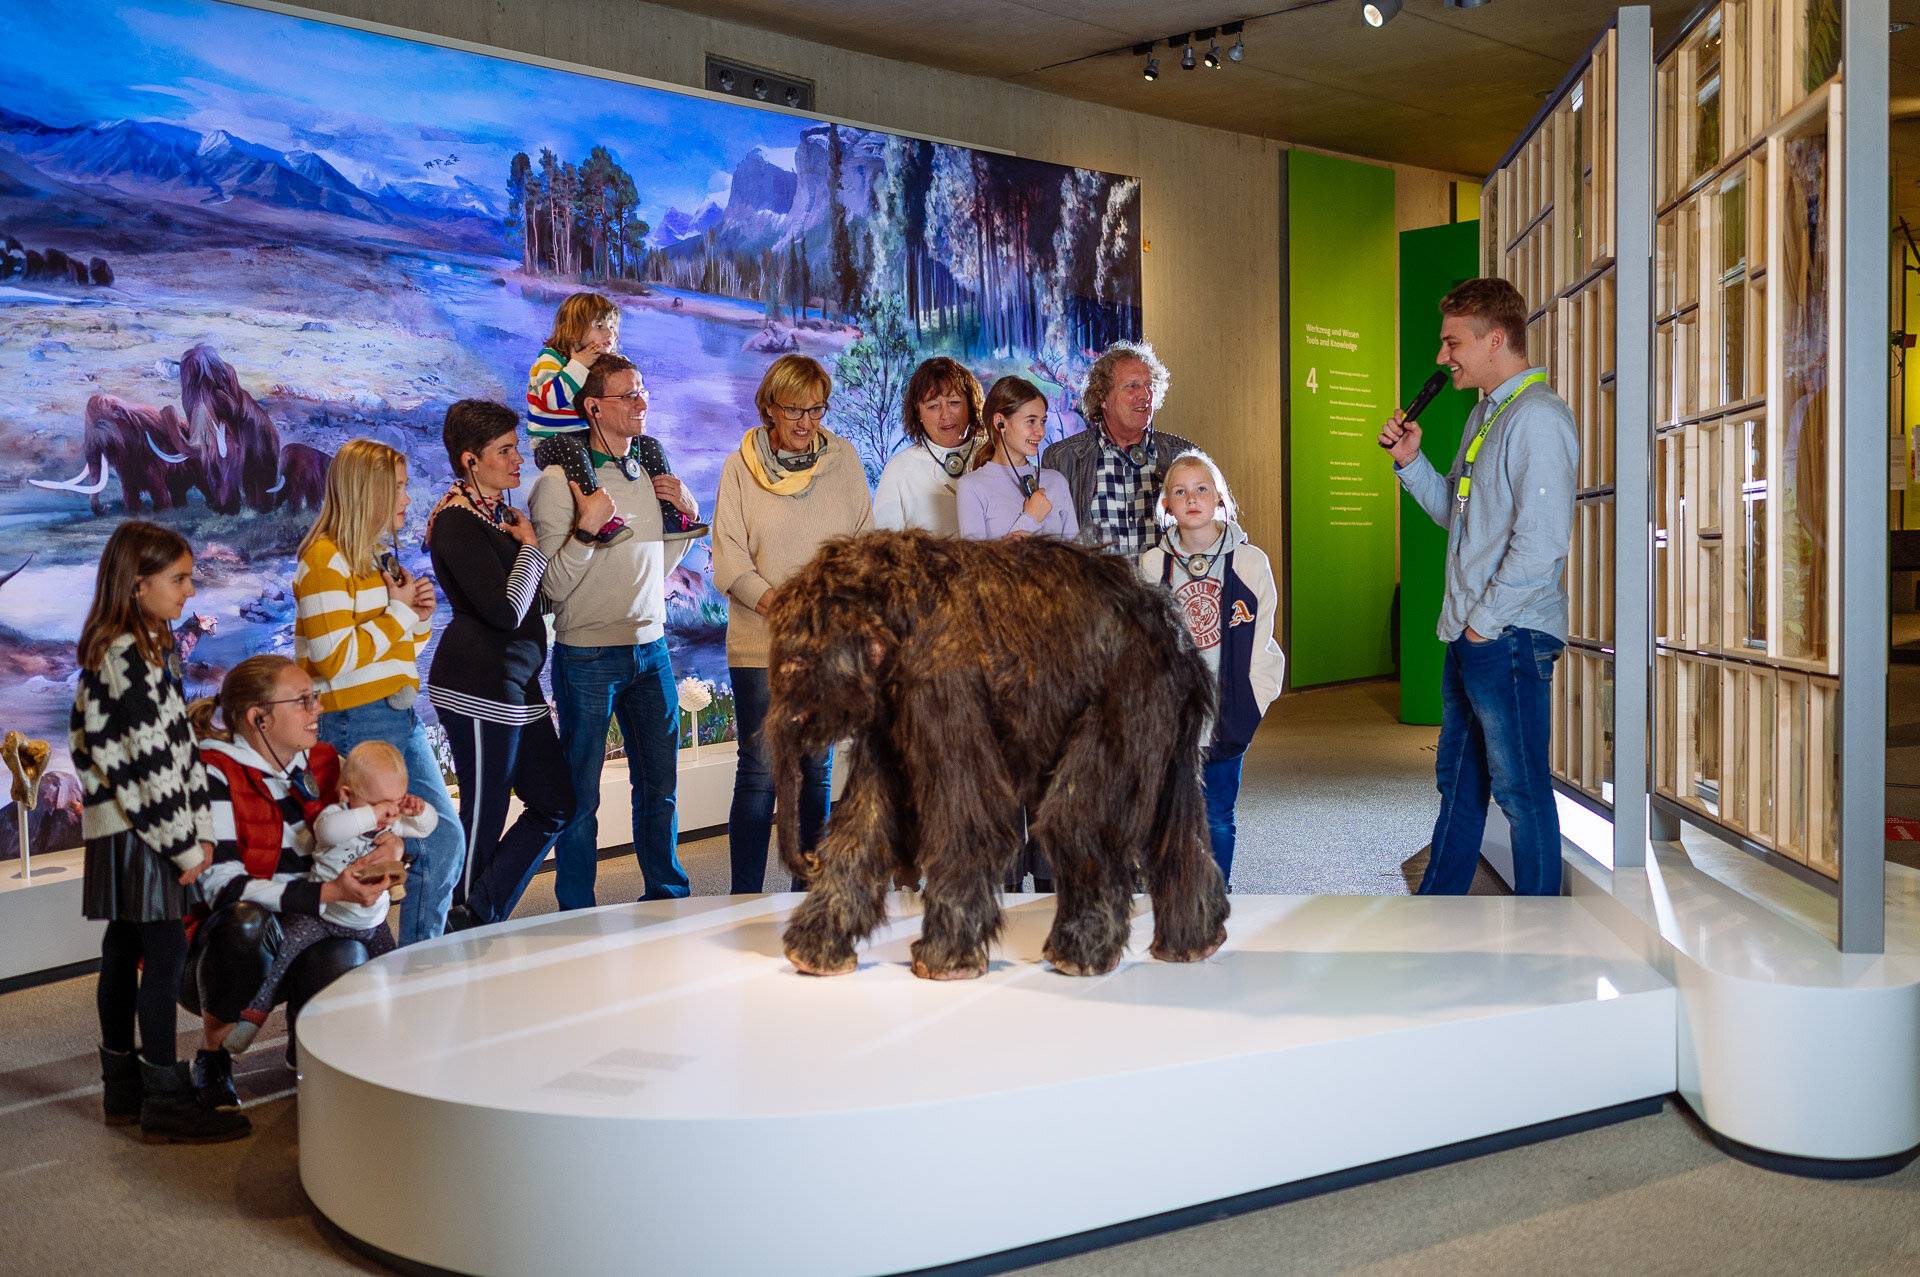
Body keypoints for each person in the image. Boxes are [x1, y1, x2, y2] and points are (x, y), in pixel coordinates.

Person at [1378, 277, 1577, 897]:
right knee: (1458, 782)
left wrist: (1483, 625)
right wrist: (1413, 464)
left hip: (1508, 635)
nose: (1442, 358)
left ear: (1496, 339)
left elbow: (1542, 544)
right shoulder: (1485, 416)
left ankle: (1545, 934)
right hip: (1473, 633)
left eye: (1451, 342)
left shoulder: (1538, 419)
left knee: (1519, 790)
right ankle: (1437, 912)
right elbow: (1458, 516)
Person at [73, 521, 247, 1144]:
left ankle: (124, 1088)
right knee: (165, 952)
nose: (188, 591)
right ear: (138, 583)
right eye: (178, 579)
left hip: (123, 829)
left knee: (124, 948)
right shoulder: (128, 654)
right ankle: (164, 1097)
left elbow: (102, 747)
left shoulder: (126, 646)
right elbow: (152, 767)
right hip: (144, 833)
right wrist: (186, 843)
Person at [530, 355, 700, 907]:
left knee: (660, 789)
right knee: (580, 798)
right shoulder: (560, 485)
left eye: (643, 392)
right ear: (594, 406)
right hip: (586, 656)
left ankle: (667, 895)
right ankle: (575, 909)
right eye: (628, 395)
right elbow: (550, 586)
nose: (641, 403)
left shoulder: (652, 476)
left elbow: (656, 564)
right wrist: (586, 528)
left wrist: (687, 519)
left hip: (652, 651)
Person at [185, 655, 386, 1105]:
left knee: (348, 950)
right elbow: (220, 887)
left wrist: (387, 850)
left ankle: (311, 1050)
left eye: (314, 699)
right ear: (260, 717)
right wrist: (327, 892)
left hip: (308, 924)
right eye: (303, 701)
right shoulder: (213, 770)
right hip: (217, 947)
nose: (318, 710)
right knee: (246, 922)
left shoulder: (324, 762)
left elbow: (366, 831)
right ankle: (213, 1057)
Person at [712, 353, 873, 892]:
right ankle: (742, 896)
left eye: (816, 409)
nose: (807, 422)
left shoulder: (843, 461)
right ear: (769, 409)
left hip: (826, 645)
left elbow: (862, 546)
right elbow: (729, 559)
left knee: (816, 771)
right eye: (794, 410)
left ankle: (811, 890)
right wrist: (779, 603)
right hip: (762, 645)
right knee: (760, 772)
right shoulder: (740, 466)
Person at [293, 439, 463, 943]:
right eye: (401, 487)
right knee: (366, 851)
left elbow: (394, 648)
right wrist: (401, 613)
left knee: (436, 837)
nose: (407, 499)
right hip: (355, 720)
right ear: (371, 491)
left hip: (396, 717)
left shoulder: (372, 558)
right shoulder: (325, 560)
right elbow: (335, 660)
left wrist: (418, 618)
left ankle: (411, 960)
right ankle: (390, 964)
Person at [426, 400, 574, 928]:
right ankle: (454, 930)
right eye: (505, 451)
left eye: (516, 447)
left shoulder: (499, 515)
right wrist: (531, 547)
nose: (518, 460)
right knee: (483, 818)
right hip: (477, 685)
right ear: (471, 460)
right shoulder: (455, 523)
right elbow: (507, 611)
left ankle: (478, 913)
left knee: (557, 802)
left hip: (516, 682)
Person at [1137, 451, 1286, 889]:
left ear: (1218, 497)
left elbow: (1264, 639)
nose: (1192, 498)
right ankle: (1177, 897)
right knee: (1170, 813)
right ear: (1167, 505)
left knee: (1218, 812)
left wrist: (1255, 700)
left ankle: (1217, 897)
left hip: (1227, 710)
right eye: (1179, 492)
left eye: (1202, 488)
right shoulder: (1152, 565)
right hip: (1173, 717)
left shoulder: (1250, 562)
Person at [220, 740, 424, 1054]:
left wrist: (416, 812)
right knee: (279, 958)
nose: (387, 813)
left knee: (392, 972)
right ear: (347, 795)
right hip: (321, 915)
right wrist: (372, 816)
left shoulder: (391, 825)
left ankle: (397, 1033)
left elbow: (427, 827)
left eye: (394, 803)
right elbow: (329, 832)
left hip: (370, 923)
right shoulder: (336, 817)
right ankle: (250, 1021)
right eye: (378, 804)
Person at [528, 291, 706, 544]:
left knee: (649, 444)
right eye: (599, 327)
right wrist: (577, 365)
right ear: (573, 329)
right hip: (552, 442)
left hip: (581, 438)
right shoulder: (551, 359)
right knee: (572, 448)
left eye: (611, 327)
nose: (609, 335)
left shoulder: (593, 362)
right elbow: (551, 401)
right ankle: (597, 513)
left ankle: (670, 516)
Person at [1041, 341, 1194, 554]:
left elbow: (1216, 529)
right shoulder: (1062, 459)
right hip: (1095, 587)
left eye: (1149, 386)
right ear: (1102, 398)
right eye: (1132, 386)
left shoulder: (1182, 455)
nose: (1145, 396)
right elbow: (1049, 545)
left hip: (1163, 587)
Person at [958, 375, 1078, 542]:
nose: (1041, 432)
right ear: (1000, 422)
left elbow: (1076, 560)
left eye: (1042, 421)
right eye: (1031, 421)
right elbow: (978, 566)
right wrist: (1030, 519)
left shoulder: (1057, 482)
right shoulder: (972, 486)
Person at [871, 357, 983, 534]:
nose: (946, 415)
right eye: (933, 406)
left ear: (971, 405)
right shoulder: (899, 469)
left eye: (954, 403)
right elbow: (884, 549)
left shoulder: (995, 455)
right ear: (918, 413)